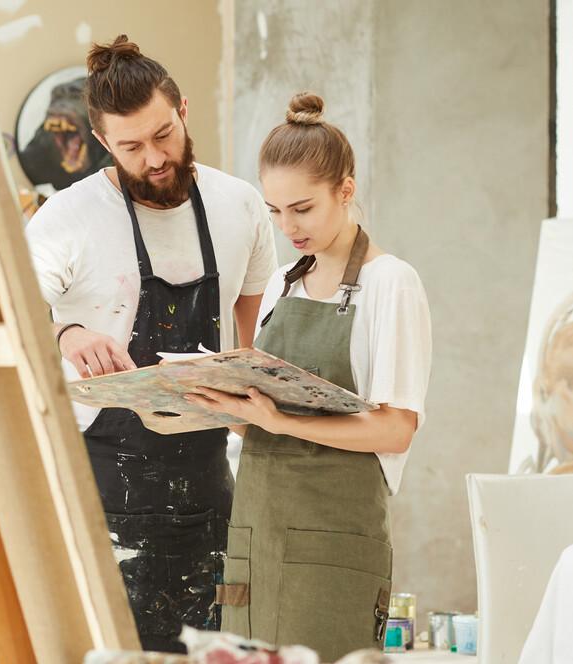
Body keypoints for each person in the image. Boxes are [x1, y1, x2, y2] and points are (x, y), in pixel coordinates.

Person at [24, 35, 277, 652]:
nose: (155, 158)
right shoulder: (68, 219)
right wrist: (68, 329)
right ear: (104, 143)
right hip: (104, 487)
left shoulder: (239, 206)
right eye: (132, 147)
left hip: (212, 482)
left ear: (183, 111)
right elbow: (6, 311)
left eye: (163, 135)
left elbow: (256, 330)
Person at [186, 93, 432, 661]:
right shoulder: (281, 285)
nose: (287, 227)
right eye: (274, 212)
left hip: (332, 543)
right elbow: (266, 426)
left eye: (302, 208)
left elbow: (395, 430)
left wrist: (279, 421)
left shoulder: (390, 283)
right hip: (253, 538)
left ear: (346, 191)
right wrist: (229, 411)